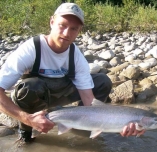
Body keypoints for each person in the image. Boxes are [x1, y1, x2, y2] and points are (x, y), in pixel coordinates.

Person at [0, 3, 145, 143]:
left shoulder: (76, 56)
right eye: (62, 25)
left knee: (102, 81)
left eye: (73, 29)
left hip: (62, 95)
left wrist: (116, 125)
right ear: (52, 22)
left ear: (79, 31)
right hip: (35, 98)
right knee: (29, 88)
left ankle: (80, 127)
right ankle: (26, 131)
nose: (66, 33)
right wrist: (27, 119)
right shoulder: (31, 49)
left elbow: (89, 100)